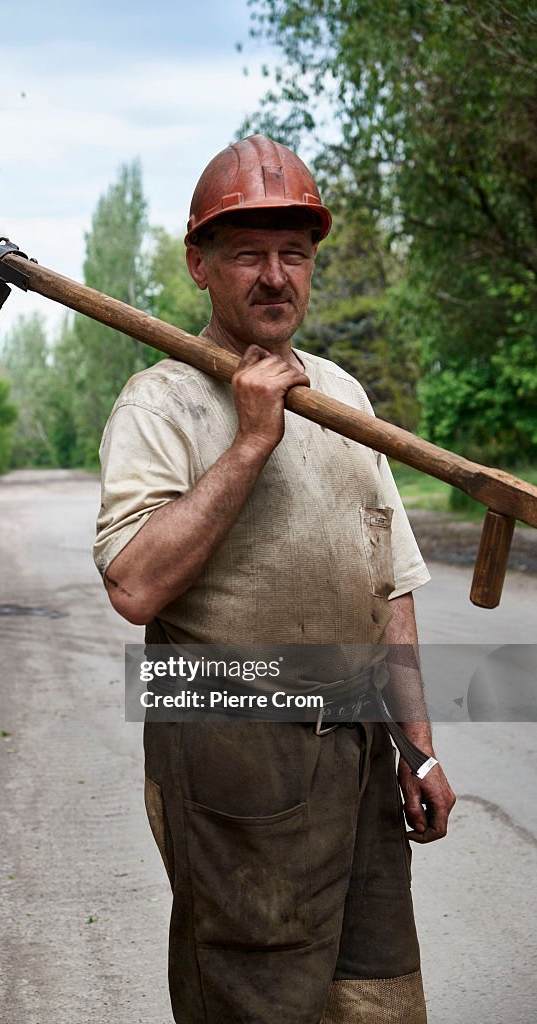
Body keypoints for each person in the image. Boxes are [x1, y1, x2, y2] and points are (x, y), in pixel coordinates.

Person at [94, 135, 455, 1024]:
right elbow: (135, 587)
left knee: (374, 995)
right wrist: (252, 439)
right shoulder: (162, 402)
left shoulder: (344, 396)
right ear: (199, 266)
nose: (273, 276)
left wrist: (418, 744)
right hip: (235, 755)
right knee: (257, 998)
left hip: (361, 747)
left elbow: (389, 585)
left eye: (292, 253)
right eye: (247, 253)